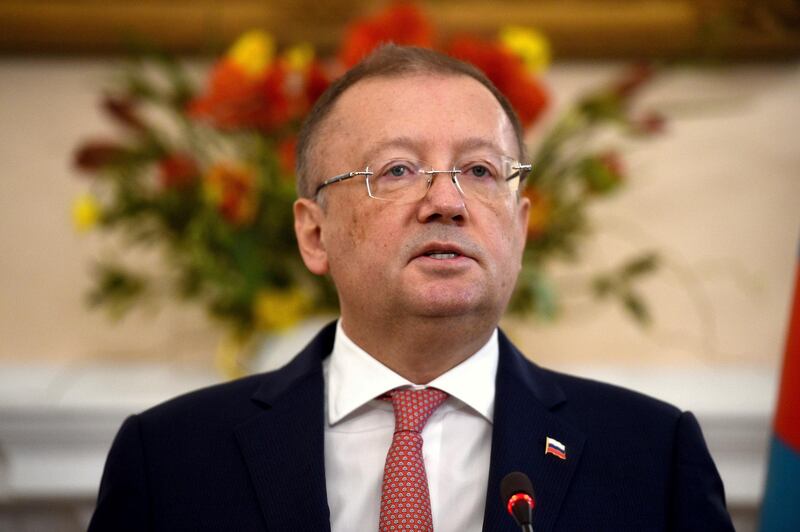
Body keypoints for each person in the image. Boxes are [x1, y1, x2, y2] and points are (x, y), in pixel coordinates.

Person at [88, 45, 734, 532]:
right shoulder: (171, 458)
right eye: (397, 170)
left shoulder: (651, 455)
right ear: (314, 235)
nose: (448, 201)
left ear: (521, 224)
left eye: (481, 170)